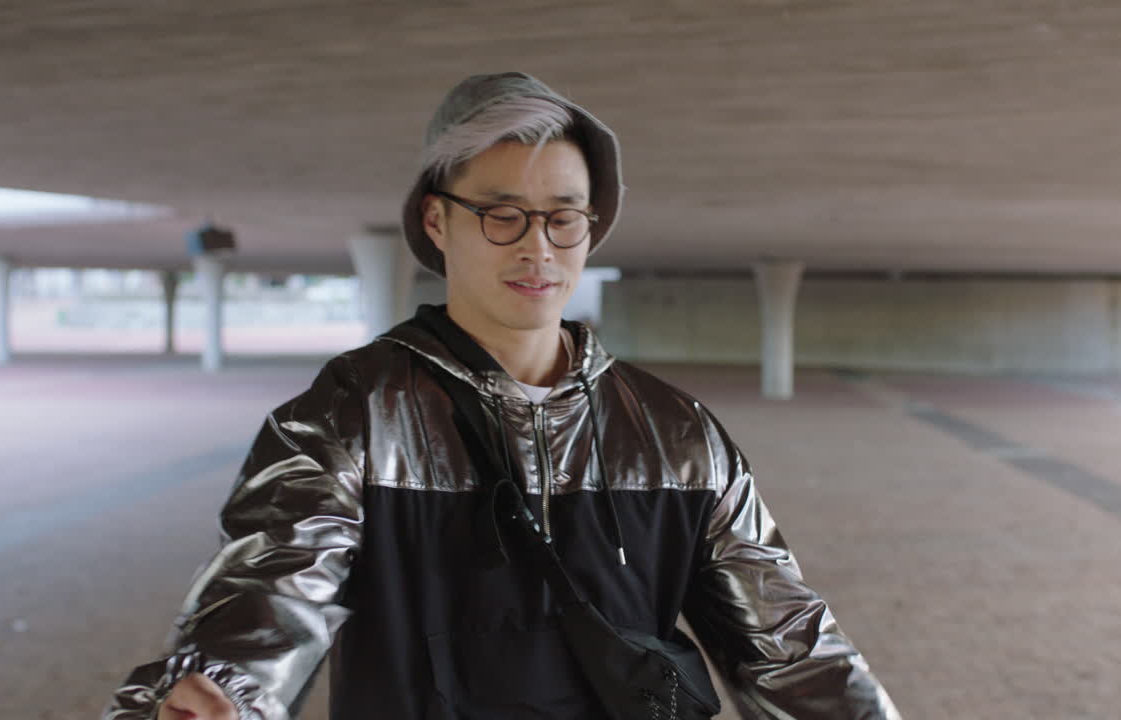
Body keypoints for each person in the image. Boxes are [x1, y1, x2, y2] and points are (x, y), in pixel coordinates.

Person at [105, 72, 900, 720]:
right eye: (501, 214)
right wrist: (219, 692)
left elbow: (792, 649)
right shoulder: (354, 411)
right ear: (436, 220)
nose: (536, 248)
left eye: (563, 219)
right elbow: (272, 585)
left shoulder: (674, 432)